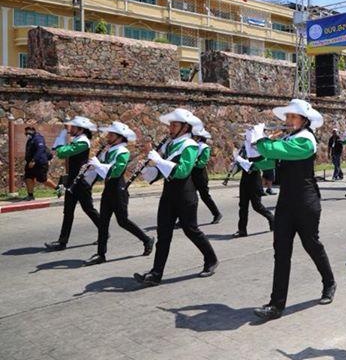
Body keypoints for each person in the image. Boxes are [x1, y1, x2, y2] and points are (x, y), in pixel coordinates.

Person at [251, 99, 336, 320]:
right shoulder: (286, 140)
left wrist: (261, 142)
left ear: (304, 120)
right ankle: (276, 305)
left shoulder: (306, 140)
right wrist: (253, 152)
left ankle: (329, 282)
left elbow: (278, 151)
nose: (288, 120)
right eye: (287, 117)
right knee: (281, 251)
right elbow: (268, 163)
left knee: (311, 245)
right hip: (285, 202)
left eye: (292, 117)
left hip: (306, 201)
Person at [134, 108, 218, 287]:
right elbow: (161, 172)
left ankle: (211, 259)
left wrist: (159, 161)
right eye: (170, 125)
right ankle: (156, 273)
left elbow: (182, 171)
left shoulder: (190, 146)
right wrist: (147, 169)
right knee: (163, 234)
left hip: (185, 195)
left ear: (185, 127)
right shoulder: (169, 145)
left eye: (174, 125)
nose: (170, 128)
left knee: (191, 230)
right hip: (168, 194)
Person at [83, 121, 154, 265]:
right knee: (103, 222)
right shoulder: (109, 151)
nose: (108, 136)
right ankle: (101, 254)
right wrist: (90, 170)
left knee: (123, 221)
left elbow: (116, 171)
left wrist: (98, 165)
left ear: (119, 137)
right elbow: (102, 172)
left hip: (118, 190)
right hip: (108, 189)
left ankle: (147, 240)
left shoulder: (123, 152)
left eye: (111, 134)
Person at [45, 116, 102, 251]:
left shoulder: (83, 142)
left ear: (81, 129)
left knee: (88, 209)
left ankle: (104, 231)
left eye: (74, 127)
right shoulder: (77, 140)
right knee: (68, 211)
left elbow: (62, 153)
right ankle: (62, 242)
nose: (71, 129)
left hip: (81, 182)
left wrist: (62, 142)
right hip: (72, 180)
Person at [232, 141, 275, 238]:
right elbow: (241, 165)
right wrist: (235, 163)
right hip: (244, 179)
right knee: (243, 205)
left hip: (254, 179)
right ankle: (242, 230)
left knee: (257, 206)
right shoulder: (243, 149)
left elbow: (253, 165)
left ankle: (272, 219)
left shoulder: (256, 149)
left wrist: (239, 159)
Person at [191, 126, 223, 224]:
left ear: (198, 137)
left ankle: (216, 213)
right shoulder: (192, 145)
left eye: (193, 136)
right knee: (189, 197)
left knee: (205, 196)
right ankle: (185, 218)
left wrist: (192, 163)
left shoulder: (204, 147)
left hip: (200, 175)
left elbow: (202, 163)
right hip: (191, 174)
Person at [22, 123, 57, 201]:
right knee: (28, 177)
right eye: (26, 131)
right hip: (30, 163)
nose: (27, 133)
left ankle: (57, 188)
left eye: (29, 131)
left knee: (42, 179)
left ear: (33, 131)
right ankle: (30, 195)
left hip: (40, 163)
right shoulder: (30, 139)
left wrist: (33, 160)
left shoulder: (38, 138)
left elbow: (40, 150)